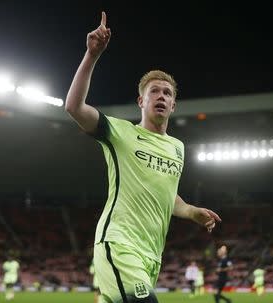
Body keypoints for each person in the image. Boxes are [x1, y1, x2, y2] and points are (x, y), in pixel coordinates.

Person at [65, 11, 221, 303]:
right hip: (119, 243)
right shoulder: (119, 132)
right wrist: (92, 56)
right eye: (154, 92)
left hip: (152, 255)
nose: (161, 96)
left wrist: (190, 211)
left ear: (173, 105)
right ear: (141, 101)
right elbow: (74, 107)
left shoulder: (177, 148)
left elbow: (167, 194)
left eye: (167, 93)